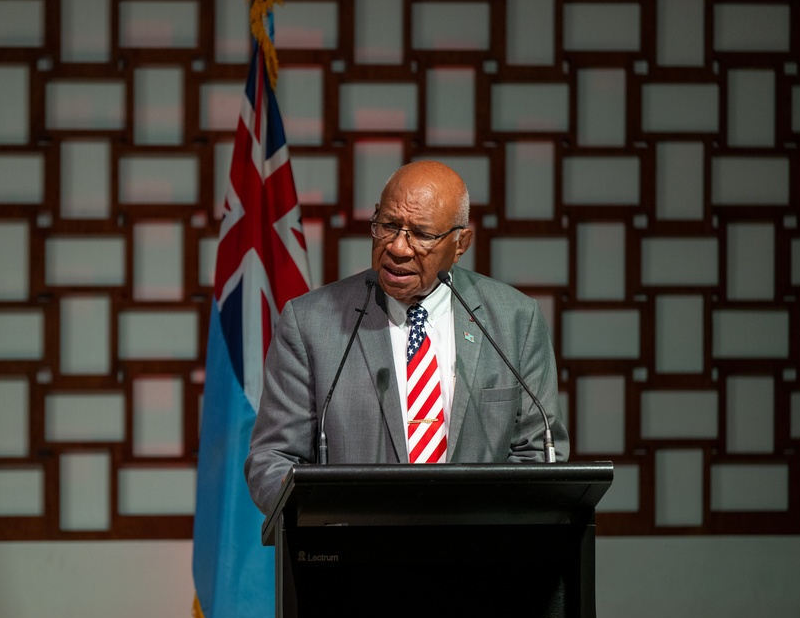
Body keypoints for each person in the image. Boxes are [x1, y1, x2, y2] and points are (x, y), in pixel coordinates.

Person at [244, 159, 569, 516]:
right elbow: (272, 461)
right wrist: (336, 520)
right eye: (388, 226)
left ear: (461, 243)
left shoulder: (514, 320)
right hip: (352, 558)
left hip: (478, 560)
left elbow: (539, 455)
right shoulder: (310, 323)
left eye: (422, 234)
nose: (398, 247)